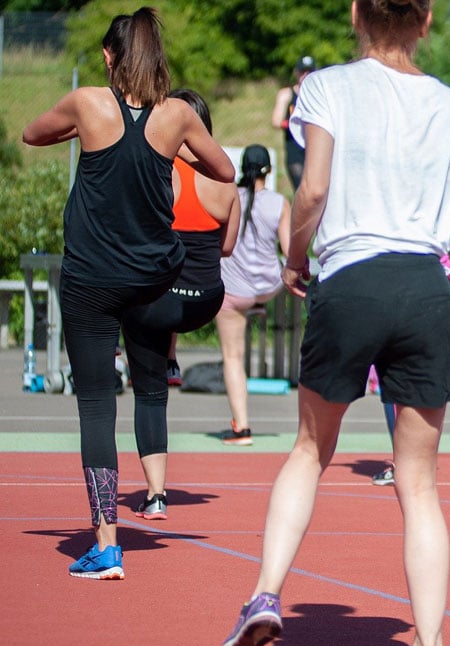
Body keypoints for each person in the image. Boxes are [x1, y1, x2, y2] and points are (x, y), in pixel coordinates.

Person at [218, 2, 450, 646]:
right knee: (418, 481)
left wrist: (297, 256)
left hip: (351, 277)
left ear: (358, 12)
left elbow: (312, 190)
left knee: (310, 449)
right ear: (425, 20)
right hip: (424, 286)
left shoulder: (326, 87)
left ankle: (264, 594)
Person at [22, 7, 234, 580]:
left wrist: (85, 133)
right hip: (150, 281)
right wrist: (172, 149)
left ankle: (107, 544)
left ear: (111, 58)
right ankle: (157, 481)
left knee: (95, 405)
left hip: (91, 280)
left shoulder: (89, 103)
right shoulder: (179, 116)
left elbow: (32, 133)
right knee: (148, 388)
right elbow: (224, 172)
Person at [125, 89, 240, 519]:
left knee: (150, 395)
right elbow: (227, 248)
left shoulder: (155, 173)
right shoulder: (225, 182)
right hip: (206, 300)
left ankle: (156, 494)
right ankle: (170, 354)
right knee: (167, 286)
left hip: (161, 302)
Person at [214, 144, 292, 446]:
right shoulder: (279, 202)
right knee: (261, 291)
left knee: (233, 358)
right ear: (269, 171)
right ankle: (259, 306)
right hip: (268, 286)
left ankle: (242, 428)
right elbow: (287, 249)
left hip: (233, 292)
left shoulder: (229, 197)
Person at [271, 55, 317, 192]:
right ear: (297, 72)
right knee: (301, 189)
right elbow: (276, 121)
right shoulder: (287, 94)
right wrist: (296, 124)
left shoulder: (318, 94)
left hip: (314, 147)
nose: (306, 75)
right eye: (303, 71)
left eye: (309, 71)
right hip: (294, 148)